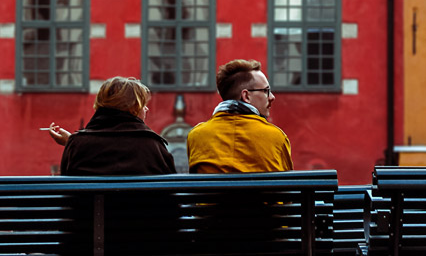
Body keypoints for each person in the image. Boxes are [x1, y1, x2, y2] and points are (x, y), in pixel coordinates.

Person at [48, 76, 176, 175]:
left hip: (90, 209)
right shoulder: (152, 145)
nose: (146, 109)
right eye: (143, 105)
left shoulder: (76, 144)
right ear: (133, 108)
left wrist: (73, 142)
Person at [187, 59, 293, 173]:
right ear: (246, 96)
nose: (272, 97)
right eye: (266, 91)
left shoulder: (196, 136)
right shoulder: (276, 137)